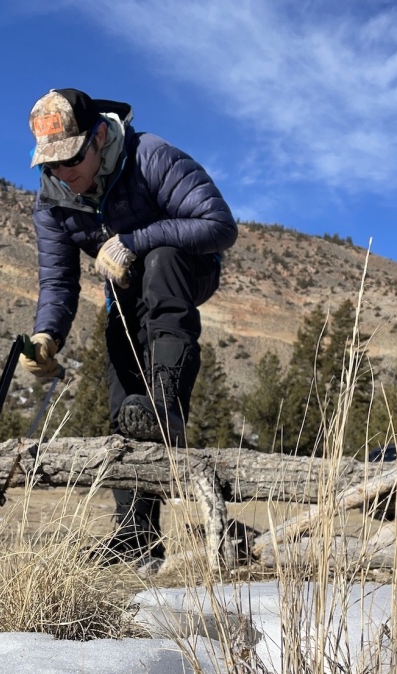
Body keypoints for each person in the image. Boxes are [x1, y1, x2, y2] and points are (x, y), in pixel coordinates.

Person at [19, 88, 237, 568]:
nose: (62, 171)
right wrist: (46, 336)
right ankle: (135, 534)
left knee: (160, 261)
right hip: (124, 291)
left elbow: (220, 226)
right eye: (50, 163)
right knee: (122, 385)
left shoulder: (151, 156)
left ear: (99, 136)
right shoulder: (51, 202)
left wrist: (136, 240)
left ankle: (167, 402)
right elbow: (58, 281)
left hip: (185, 269)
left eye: (71, 158)